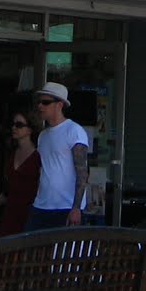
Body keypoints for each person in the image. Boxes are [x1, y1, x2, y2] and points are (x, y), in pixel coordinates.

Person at [25, 82, 90, 230]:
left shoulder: (74, 131)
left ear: (59, 105)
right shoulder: (43, 136)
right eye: (39, 102)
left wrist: (76, 208)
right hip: (41, 205)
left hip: (65, 207)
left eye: (45, 102)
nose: (40, 106)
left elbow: (82, 172)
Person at [0, 105, 41, 236]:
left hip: (30, 212)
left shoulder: (39, 155)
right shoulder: (12, 153)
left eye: (19, 125)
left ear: (29, 129)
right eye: (13, 124)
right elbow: (9, 186)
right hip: (10, 211)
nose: (14, 128)